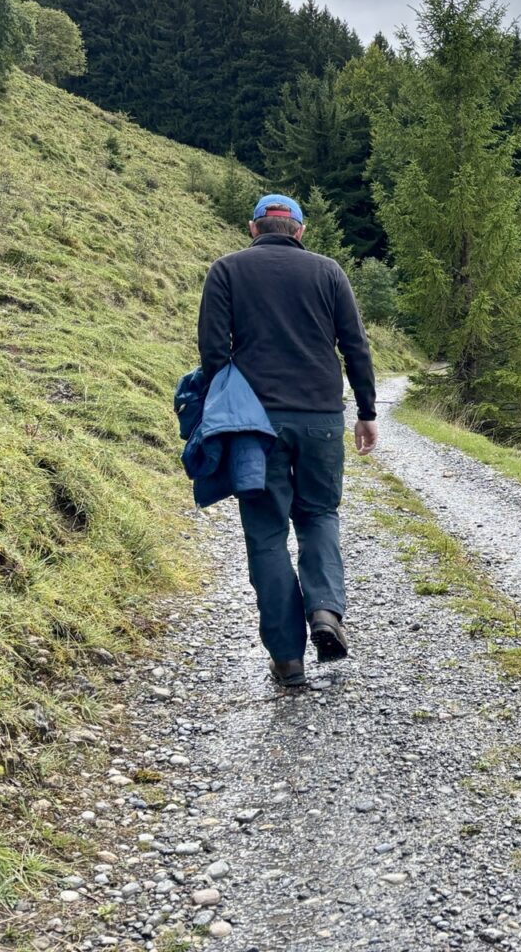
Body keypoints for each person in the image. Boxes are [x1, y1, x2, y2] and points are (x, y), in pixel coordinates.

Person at [197, 193, 378, 687]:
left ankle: (287, 658)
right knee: (320, 513)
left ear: (254, 228)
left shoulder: (226, 270)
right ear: (299, 230)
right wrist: (365, 411)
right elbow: (355, 345)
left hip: (257, 425)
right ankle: (325, 612)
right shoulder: (329, 272)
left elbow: (214, 352)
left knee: (267, 533)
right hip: (321, 416)